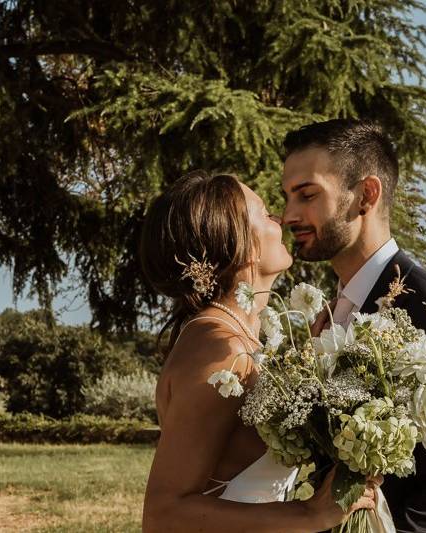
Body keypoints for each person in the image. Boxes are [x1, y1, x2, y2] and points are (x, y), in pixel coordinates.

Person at [140, 171, 381, 532]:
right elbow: (163, 515)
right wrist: (308, 515)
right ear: (239, 241)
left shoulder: (237, 339)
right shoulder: (219, 349)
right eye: (266, 213)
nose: (281, 219)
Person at [282, 119, 426, 533]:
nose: (290, 216)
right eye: (287, 198)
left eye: (307, 195)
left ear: (366, 195)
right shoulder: (332, 311)